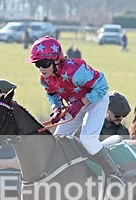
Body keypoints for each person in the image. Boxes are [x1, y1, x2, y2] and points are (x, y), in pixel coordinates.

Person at [26, 36, 122, 184]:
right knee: (58, 140)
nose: (41, 68)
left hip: (97, 100)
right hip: (75, 104)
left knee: (87, 139)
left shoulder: (75, 71)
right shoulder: (44, 78)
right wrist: (57, 109)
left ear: (57, 60)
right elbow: (52, 94)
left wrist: (82, 102)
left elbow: (102, 86)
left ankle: (115, 175)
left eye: (44, 63)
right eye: (37, 64)